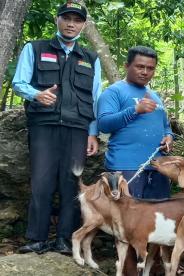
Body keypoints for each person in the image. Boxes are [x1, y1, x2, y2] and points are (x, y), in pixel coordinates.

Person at [12, 1, 102, 254]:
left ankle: (65, 239)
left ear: (83, 25)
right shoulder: (35, 48)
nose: (71, 23)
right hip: (44, 125)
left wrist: (92, 132)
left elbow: (95, 97)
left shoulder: (90, 58)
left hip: (77, 128)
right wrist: (37, 94)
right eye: (67, 18)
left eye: (77, 19)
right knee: (41, 182)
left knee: (71, 184)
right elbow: (19, 82)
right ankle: (37, 238)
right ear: (57, 20)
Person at [97, 46, 174, 199]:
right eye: (140, 66)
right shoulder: (114, 92)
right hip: (126, 167)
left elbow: (165, 126)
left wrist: (169, 136)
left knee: (155, 219)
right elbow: (104, 124)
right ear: (127, 66)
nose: (145, 72)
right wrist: (135, 110)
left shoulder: (154, 96)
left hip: (157, 167)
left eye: (150, 68)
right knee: (126, 221)